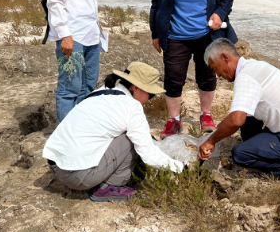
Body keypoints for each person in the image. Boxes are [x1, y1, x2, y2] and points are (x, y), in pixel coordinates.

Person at [42, 62, 185, 202]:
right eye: (151, 94)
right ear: (136, 88)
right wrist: (180, 167)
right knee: (131, 139)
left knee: (128, 135)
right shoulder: (132, 107)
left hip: (56, 166)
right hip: (77, 177)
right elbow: (148, 154)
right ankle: (110, 186)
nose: (150, 99)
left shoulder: (102, 91)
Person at [198, 38, 280, 187]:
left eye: (215, 68)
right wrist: (220, 131)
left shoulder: (245, 78)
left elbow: (236, 120)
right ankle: (261, 148)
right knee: (246, 122)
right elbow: (238, 116)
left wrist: (211, 141)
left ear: (225, 57)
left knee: (241, 155)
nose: (217, 75)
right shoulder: (254, 66)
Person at [150, 0, 237, 139]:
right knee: (173, 78)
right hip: (175, 35)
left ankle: (206, 115)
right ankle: (174, 120)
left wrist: (219, 14)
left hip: (206, 35)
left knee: (207, 76)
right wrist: (156, 32)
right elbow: (156, 2)